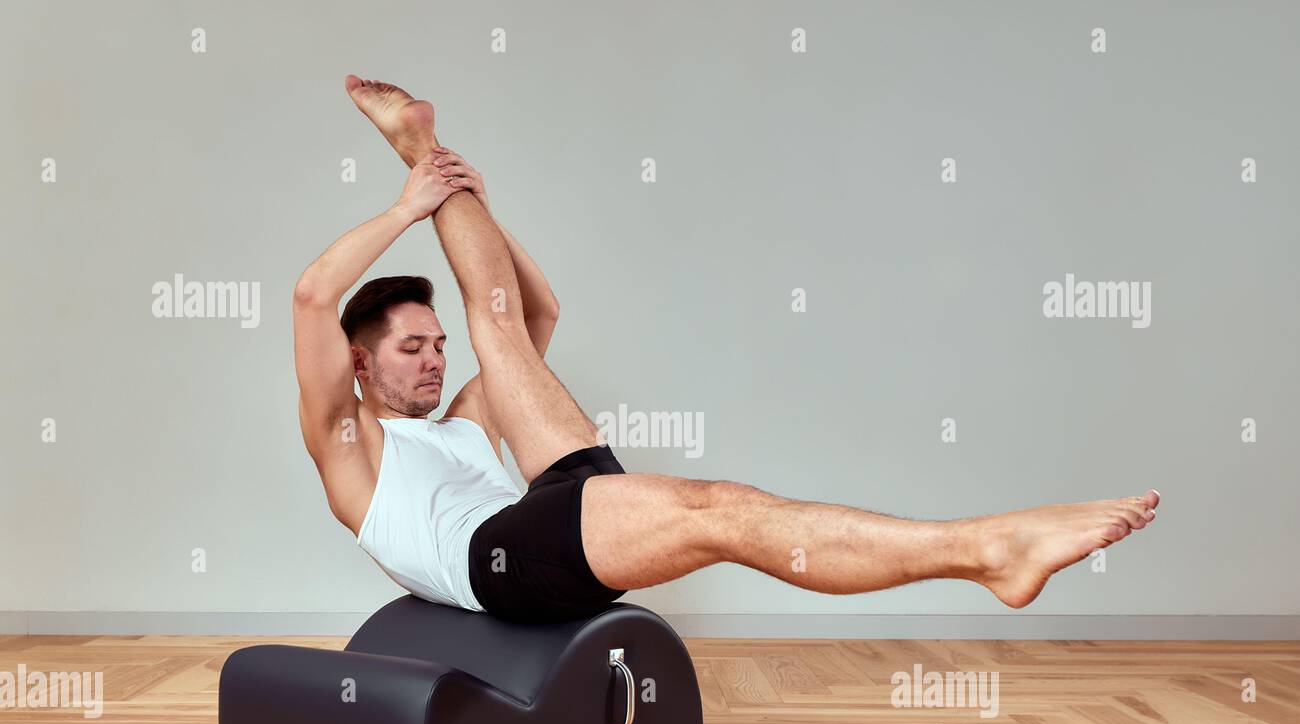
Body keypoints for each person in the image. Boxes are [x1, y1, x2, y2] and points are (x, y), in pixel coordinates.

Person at [291, 75, 1160, 624]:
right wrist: (411, 207)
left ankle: (427, 146)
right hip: (503, 561)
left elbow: (536, 308)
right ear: (360, 364)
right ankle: (986, 552)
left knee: (501, 320)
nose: (435, 362)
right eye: (411, 348)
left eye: (436, 346)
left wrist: (474, 197)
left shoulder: (465, 423)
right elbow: (312, 297)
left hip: (552, 503)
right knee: (722, 510)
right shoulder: (352, 451)